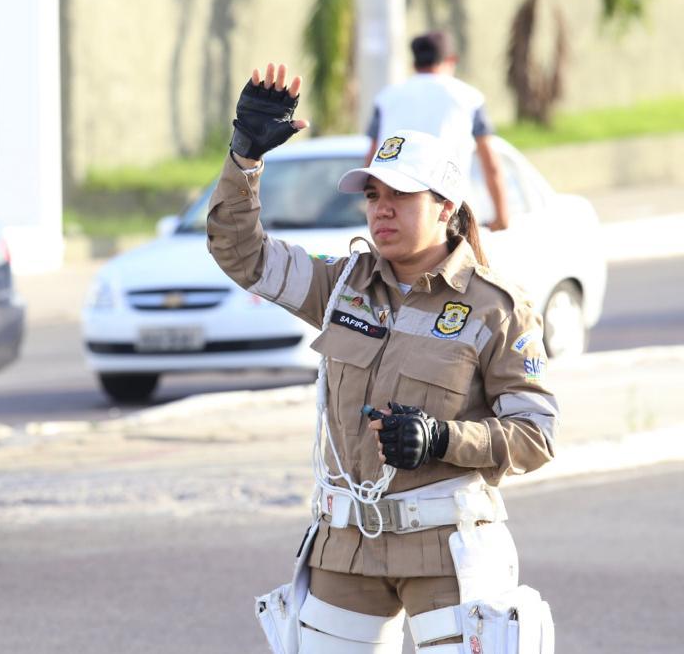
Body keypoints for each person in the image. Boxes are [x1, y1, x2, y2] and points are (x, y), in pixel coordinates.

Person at [211, 64, 557, 652]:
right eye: (373, 195)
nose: (382, 209)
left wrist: (441, 439)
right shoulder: (341, 283)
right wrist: (245, 159)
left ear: (446, 206)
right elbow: (241, 254)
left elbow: (535, 435)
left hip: (447, 549)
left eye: (401, 194)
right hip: (346, 546)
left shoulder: (497, 308)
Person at [364, 31, 511, 231]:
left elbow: (371, 160)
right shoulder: (469, 97)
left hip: (395, 212)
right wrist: (501, 218)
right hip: (451, 211)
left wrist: (373, 203)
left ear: (414, 63)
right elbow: (491, 164)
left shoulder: (386, 98)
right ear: (451, 60)